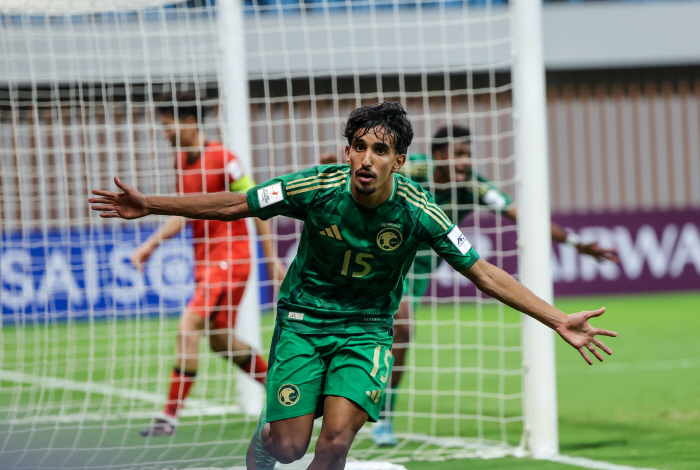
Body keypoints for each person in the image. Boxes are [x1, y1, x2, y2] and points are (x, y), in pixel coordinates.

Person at [89, 102, 617, 470]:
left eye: (380, 151)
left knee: (337, 439)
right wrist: (151, 204)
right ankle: (267, 440)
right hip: (302, 321)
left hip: (365, 329)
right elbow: (235, 203)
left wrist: (556, 318)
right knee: (290, 446)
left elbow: (483, 271)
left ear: (400, 161)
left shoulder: (418, 209)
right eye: (359, 147)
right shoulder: (314, 187)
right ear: (347, 151)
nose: (367, 159)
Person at [321, 124, 619, 445]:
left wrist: (577, 243)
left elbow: (522, 214)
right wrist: (337, 167)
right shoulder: (410, 169)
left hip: (416, 269)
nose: (465, 162)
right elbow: (367, 171)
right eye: (458, 154)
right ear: (438, 156)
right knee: (366, 324)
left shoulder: (473, 186)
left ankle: (385, 417)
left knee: (401, 329)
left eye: (468, 155)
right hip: (376, 256)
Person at [136, 90, 286, 437]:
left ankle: (169, 417)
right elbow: (184, 212)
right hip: (207, 263)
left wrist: (271, 259)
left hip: (230, 259)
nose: (166, 133)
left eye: (168, 126)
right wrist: (150, 246)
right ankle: (281, 393)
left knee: (188, 327)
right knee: (220, 340)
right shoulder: (181, 162)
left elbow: (258, 203)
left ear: (189, 122)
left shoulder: (224, 158)